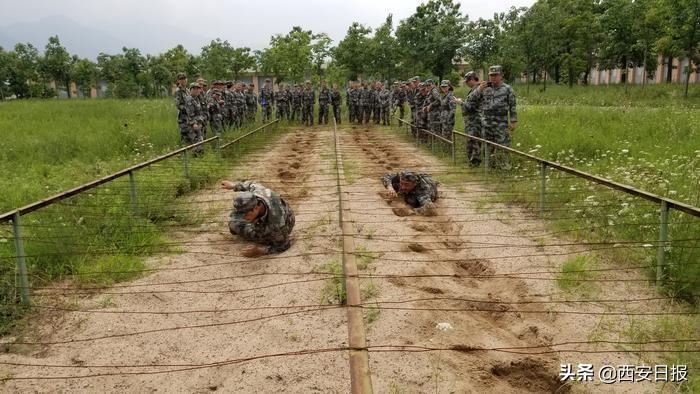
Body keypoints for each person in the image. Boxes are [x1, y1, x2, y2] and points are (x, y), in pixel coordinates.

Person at [221, 179, 295, 257]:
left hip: (285, 222)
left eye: (245, 215)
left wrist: (259, 250)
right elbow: (251, 184)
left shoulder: (276, 221)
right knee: (233, 223)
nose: (244, 218)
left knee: (237, 226)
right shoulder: (257, 192)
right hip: (270, 215)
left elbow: (283, 246)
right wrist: (233, 186)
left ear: (256, 208)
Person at [469, 65, 517, 168]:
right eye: (491, 75)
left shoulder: (507, 89)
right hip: (487, 123)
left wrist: (513, 121)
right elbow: (471, 100)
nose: (493, 77)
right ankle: (490, 168)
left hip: (501, 123)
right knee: (487, 146)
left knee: (503, 146)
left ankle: (504, 168)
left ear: (501, 76)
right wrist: (479, 90)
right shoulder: (484, 88)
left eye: (495, 75)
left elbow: (512, 105)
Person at [454, 71, 484, 166]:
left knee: (474, 141)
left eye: (467, 81)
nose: (466, 83)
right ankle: (472, 161)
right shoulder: (474, 90)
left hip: (475, 121)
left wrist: (461, 102)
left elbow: (472, 107)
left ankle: (475, 162)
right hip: (470, 121)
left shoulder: (478, 90)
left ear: (472, 79)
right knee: (470, 141)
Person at [175, 73, 189, 143]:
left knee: (189, 134)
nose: (184, 80)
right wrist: (186, 109)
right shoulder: (178, 91)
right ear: (179, 81)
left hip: (189, 116)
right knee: (184, 135)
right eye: (181, 79)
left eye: (185, 79)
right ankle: (184, 152)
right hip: (183, 117)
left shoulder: (188, 90)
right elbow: (178, 104)